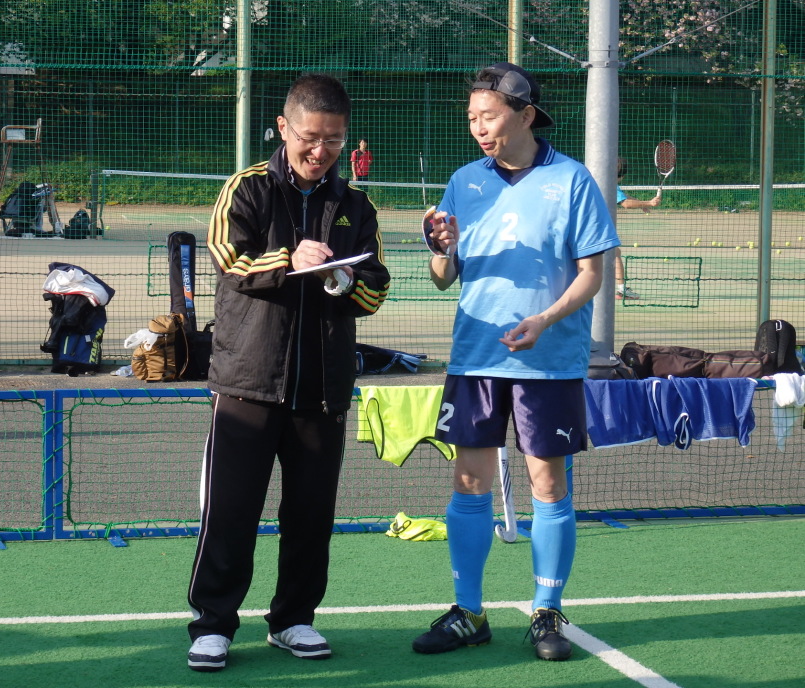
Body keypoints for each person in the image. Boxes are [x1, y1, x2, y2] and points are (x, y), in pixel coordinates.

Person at [414, 62, 620, 662]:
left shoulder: (572, 180)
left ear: (526, 115)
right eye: (472, 118)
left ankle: (546, 611)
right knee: (468, 482)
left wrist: (544, 320)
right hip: (476, 357)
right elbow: (443, 277)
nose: (479, 128)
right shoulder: (464, 181)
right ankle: (468, 612)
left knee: (547, 483)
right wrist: (440, 249)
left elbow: (592, 275)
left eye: (489, 117)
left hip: (549, 362)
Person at [185, 74, 391, 673]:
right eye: (309, 137)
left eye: (334, 140)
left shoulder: (356, 205)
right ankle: (213, 624)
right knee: (230, 512)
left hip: (323, 390)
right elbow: (229, 259)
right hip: (247, 383)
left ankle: (294, 620)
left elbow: (375, 289)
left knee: (310, 517)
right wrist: (291, 259)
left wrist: (343, 280)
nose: (320, 151)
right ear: (283, 128)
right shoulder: (246, 188)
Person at [614, 157, 661, 299]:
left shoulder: (602, 180)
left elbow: (624, 196)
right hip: (595, 225)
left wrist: (642, 204)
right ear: (622, 176)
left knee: (613, 253)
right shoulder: (609, 184)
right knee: (613, 254)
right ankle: (621, 290)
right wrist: (649, 203)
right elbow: (626, 203)